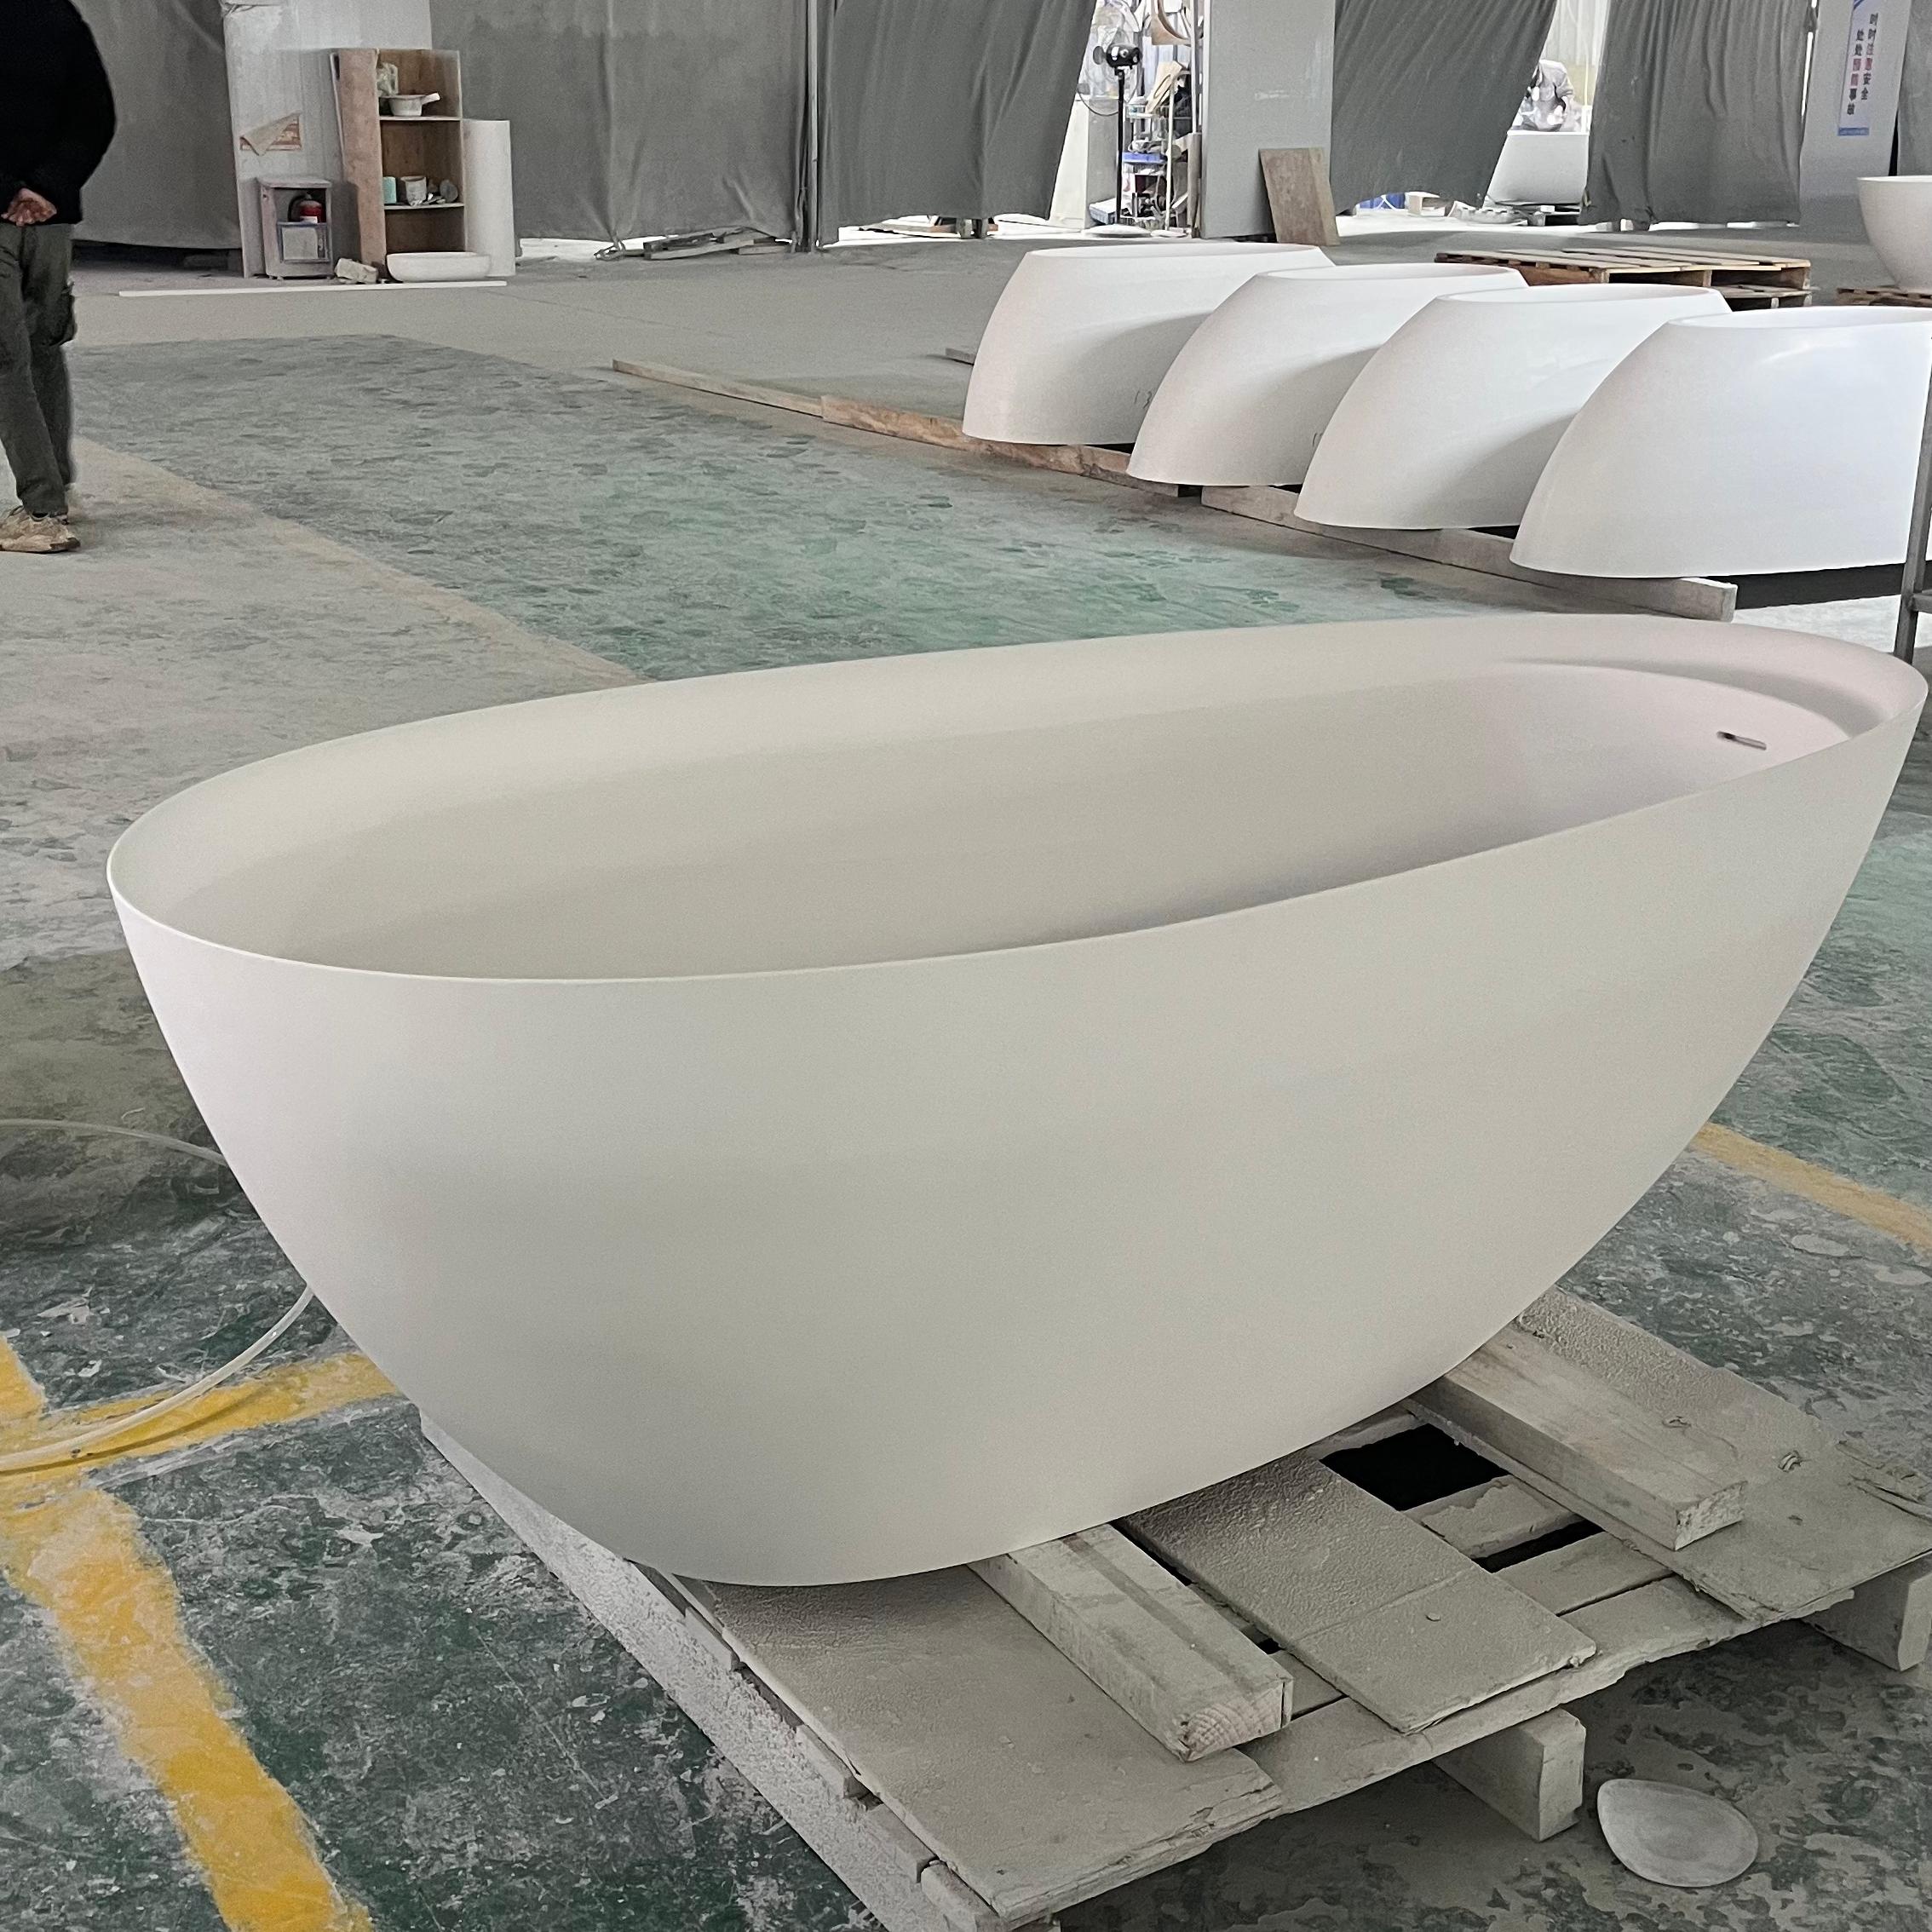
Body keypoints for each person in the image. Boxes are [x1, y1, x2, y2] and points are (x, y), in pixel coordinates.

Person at [0, 0, 117, 555]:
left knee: (6, 360)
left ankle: (41, 512)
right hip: (51, 221)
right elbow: (96, 115)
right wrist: (48, 187)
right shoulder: (58, 14)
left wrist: (8, 193)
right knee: (44, 350)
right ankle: (58, 486)